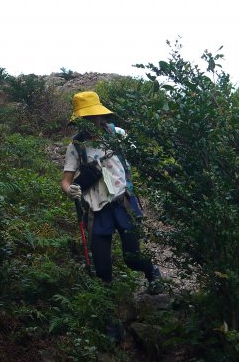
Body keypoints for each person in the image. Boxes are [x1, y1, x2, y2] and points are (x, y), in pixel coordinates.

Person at [61, 91, 163, 294]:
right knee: (103, 269)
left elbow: (138, 159)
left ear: (100, 115)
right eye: (85, 118)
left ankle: (152, 273)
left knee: (132, 258)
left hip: (122, 202)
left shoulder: (118, 135)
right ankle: (111, 313)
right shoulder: (76, 146)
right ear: (78, 119)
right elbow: (66, 181)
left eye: (93, 116)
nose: (91, 121)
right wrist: (70, 190)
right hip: (96, 210)